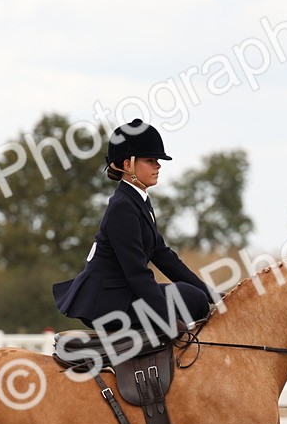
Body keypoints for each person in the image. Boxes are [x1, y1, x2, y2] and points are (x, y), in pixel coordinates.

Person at [52, 119, 214, 337]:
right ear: (128, 165)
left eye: (157, 160)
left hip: (123, 293)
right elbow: (137, 273)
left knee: (196, 296)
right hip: (107, 302)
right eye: (150, 160)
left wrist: (213, 295)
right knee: (191, 299)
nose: (158, 165)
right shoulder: (122, 207)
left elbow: (165, 257)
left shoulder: (138, 200)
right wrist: (168, 320)